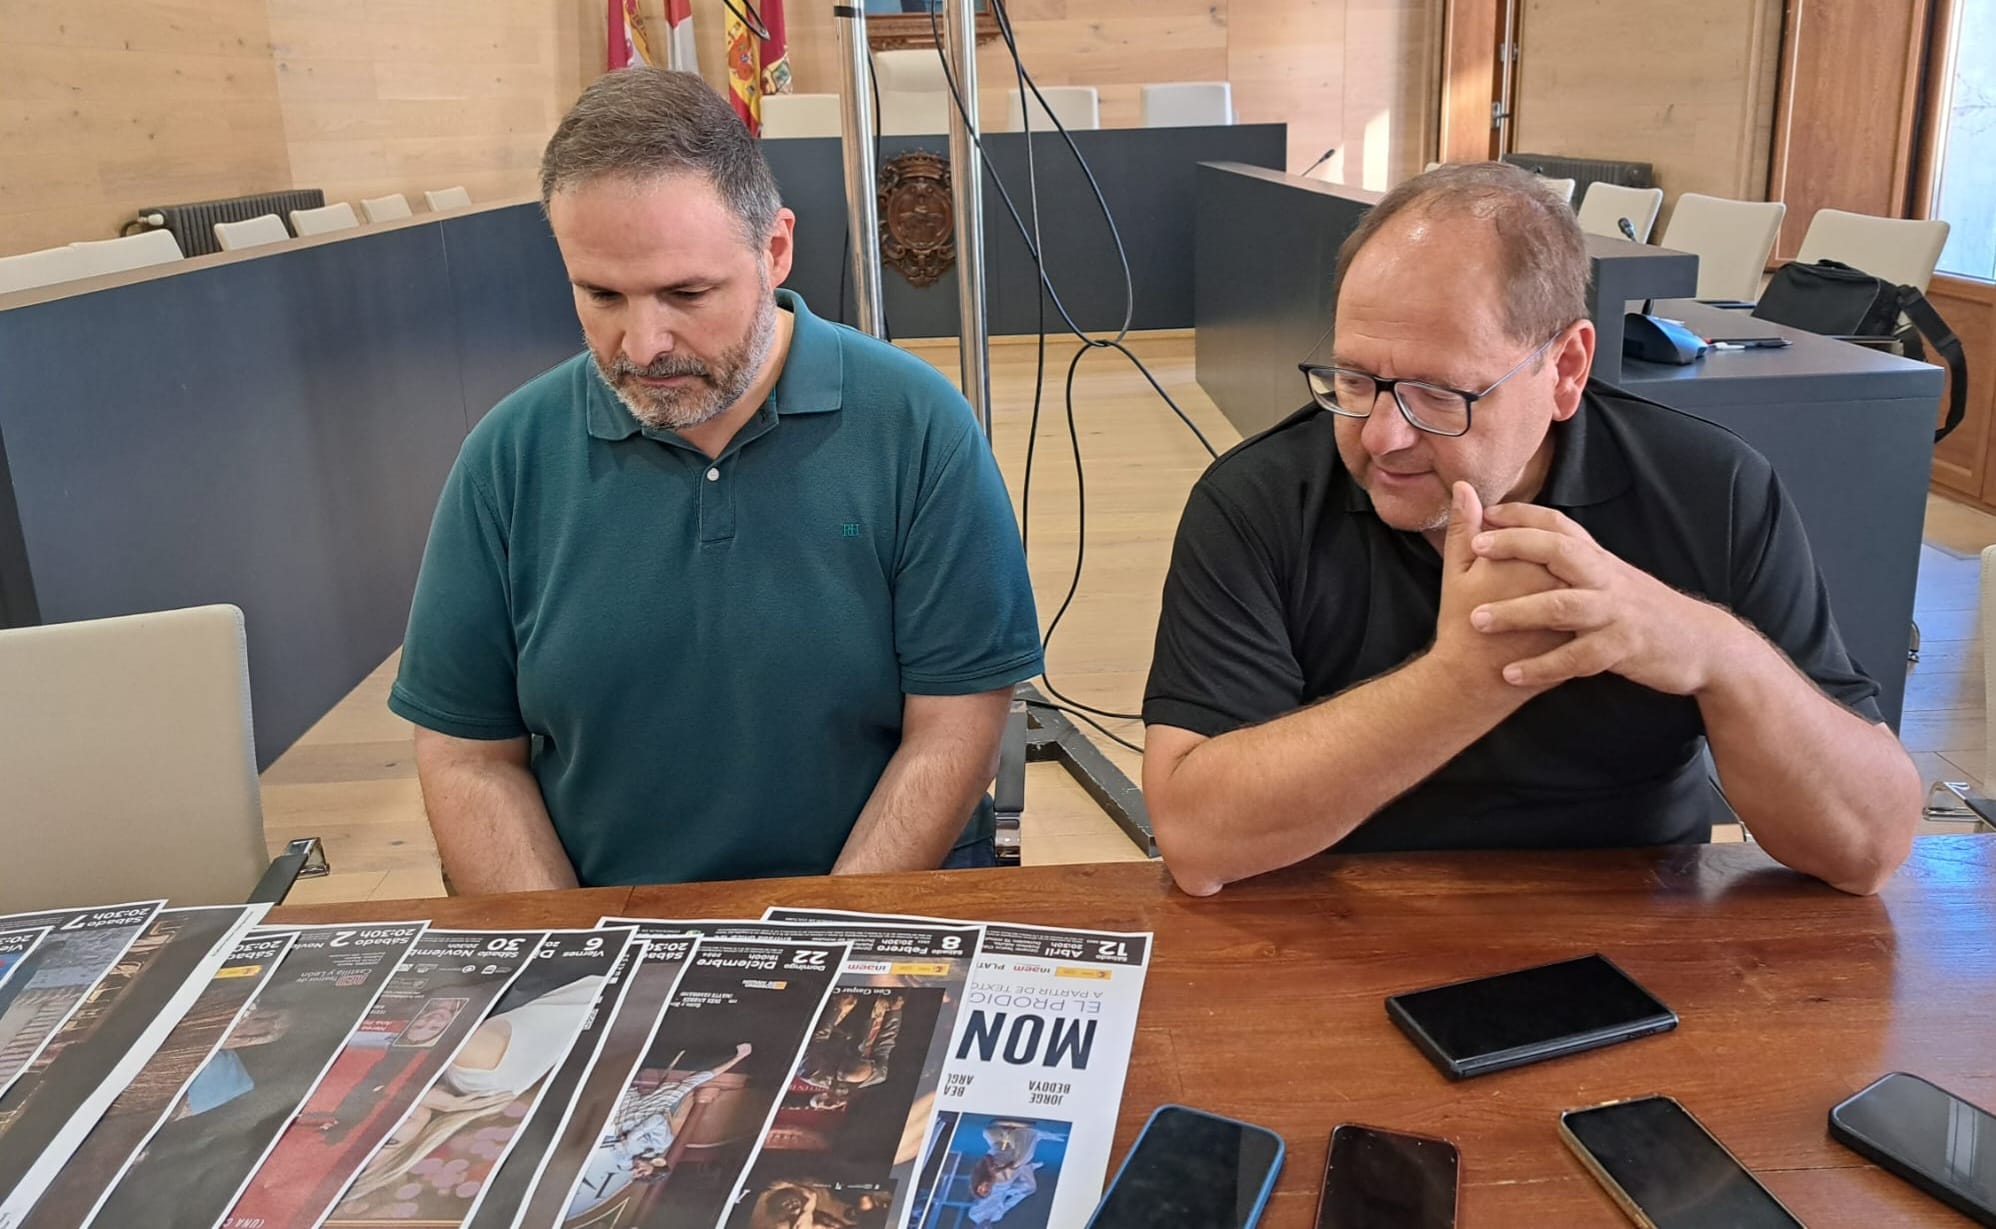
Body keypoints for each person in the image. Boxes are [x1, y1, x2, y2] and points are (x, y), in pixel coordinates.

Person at [1142, 162, 1921, 898]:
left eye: (1437, 394)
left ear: (1567, 369)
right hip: (1334, 926)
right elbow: (1198, 839)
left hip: (1642, 930)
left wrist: (1716, 651)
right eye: (1353, 380)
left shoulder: (1711, 489)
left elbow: (1867, 850)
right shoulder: (1259, 501)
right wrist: (1461, 681)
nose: (1381, 436)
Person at [389, 69, 1042, 891]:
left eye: (686, 292)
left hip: (867, 908)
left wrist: (823, 937)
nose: (643, 344)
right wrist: (571, 960)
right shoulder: (508, 455)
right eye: (601, 295)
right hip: (604, 927)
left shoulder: (917, 427)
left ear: (775, 249)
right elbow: (467, 754)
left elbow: (957, 726)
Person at [568, 1043, 754, 1218]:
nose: (637, 1170)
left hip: (623, 1109)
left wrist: (629, 1160)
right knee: (689, 1084)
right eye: (643, 1171)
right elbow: (656, 1120)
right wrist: (633, 1136)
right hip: (651, 1106)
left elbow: (616, 1153)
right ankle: (739, 1057)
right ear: (657, 1161)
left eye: (638, 1173)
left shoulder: (626, 1161)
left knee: (611, 1079)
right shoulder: (661, 1143)